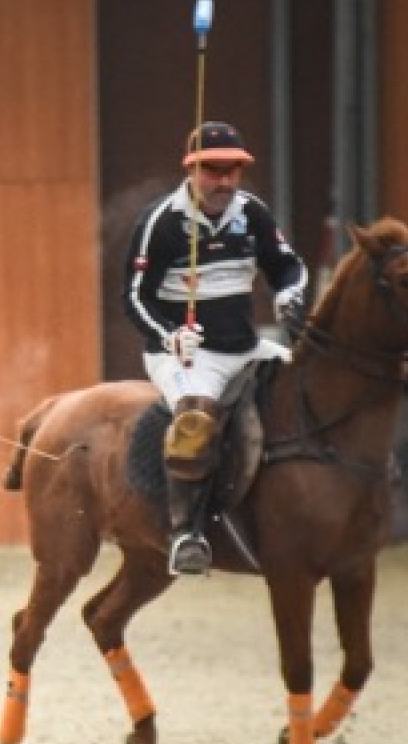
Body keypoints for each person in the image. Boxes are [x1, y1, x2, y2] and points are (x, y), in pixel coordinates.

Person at [122, 121, 308, 577]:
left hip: (244, 346)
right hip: (184, 354)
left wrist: (288, 293)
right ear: (192, 170)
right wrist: (169, 333)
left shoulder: (253, 213)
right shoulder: (161, 222)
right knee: (195, 420)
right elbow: (132, 296)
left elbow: (288, 266)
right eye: (213, 170)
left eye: (233, 171)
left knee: (310, 390)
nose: (224, 181)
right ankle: (186, 532)